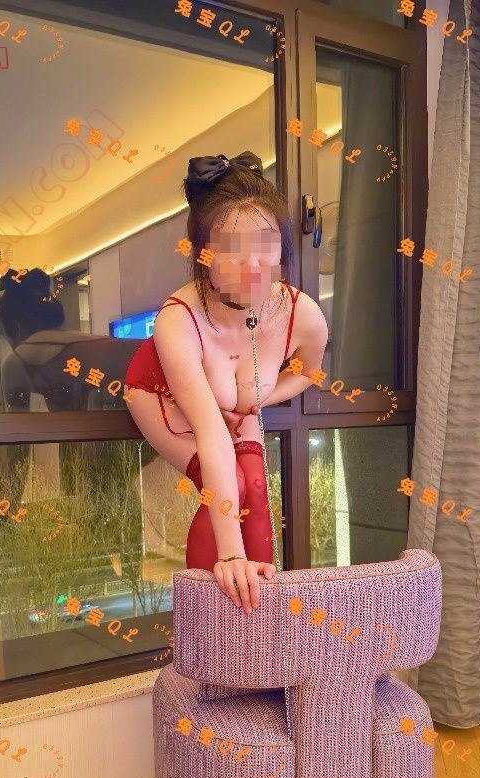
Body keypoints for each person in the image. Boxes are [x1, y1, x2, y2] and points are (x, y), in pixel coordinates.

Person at [124, 151, 328, 613]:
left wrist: (260, 399)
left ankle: (260, 617)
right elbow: (211, 431)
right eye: (231, 247)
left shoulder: (302, 314)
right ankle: (206, 622)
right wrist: (232, 555)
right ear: (203, 254)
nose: (251, 262)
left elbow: (309, 371)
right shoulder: (178, 319)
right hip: (161, 394)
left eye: (265, 242)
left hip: (232, 403)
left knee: (255, 484)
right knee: (231, 481)